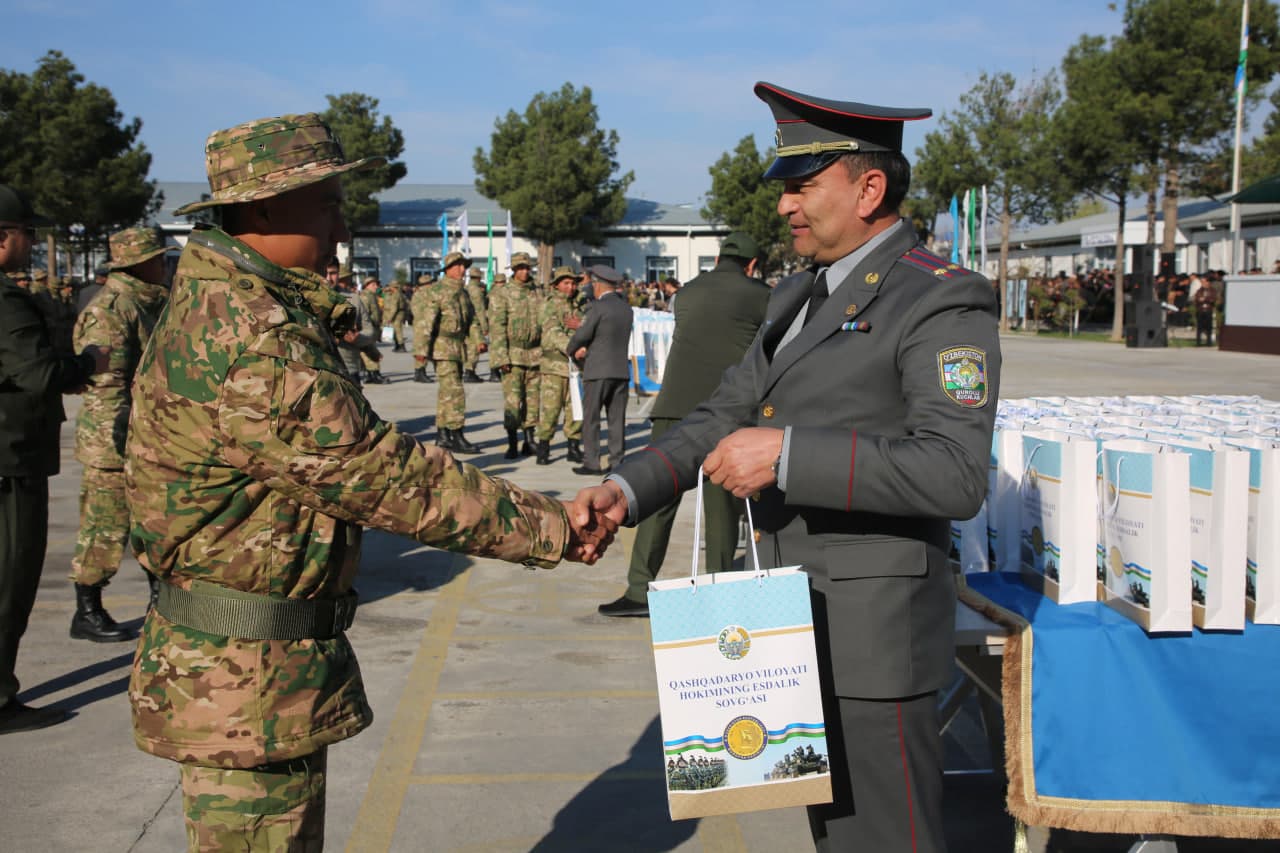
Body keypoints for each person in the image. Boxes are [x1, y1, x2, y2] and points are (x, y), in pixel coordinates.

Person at [127, 114, 615, 851]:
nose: (340, 219)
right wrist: (550, 525)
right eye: (323, 200)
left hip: (246, 671)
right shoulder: (252, 334)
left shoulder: (227, 299)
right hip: (243, 685)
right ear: (262, 208)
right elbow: (382, 474)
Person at [575, 82, 1001, 852]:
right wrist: (623, 490)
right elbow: (717, 416)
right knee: (837, 840)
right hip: (787, 633)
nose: (783, 206)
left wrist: (789, 456)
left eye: (802, 186)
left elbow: (955, 471)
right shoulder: (796, 296)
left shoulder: (940, 299)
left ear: (869, 187)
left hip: (874, 646)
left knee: (887, 841)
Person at [597, 232, 769, 617]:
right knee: (722, 506)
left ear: (719, 257)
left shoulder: (687, 292)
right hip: (727, 411)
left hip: (673, 405)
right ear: (753, 264)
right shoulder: (760, 295)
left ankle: (640, 589)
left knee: (658, 497)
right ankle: (721, 591)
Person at [0, 184, 110, 734]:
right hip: (10, 462)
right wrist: (88, 362)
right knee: (11, 578)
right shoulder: (6, 300)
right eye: (27, 234)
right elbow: (39, 375)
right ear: (3, 241)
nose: (32, 245)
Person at [69, 226, 175, 642]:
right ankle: (87, 609)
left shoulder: (150, 301)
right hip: (114, 440)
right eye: (159, 258)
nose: (165, 265)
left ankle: (161, 602)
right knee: (105, 526)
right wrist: (116, 447)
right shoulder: (113, 309)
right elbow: (107, 386)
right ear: (140, 263)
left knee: (156, 522)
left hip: (150, 435)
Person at [567, 264, 633, 476]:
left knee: (592, 419)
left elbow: (584, 334)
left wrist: (572, 348)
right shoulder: (626, 308)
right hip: (620, 371)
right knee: (616, 420)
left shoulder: (597, 308)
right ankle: (617, 461)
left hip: (598, 370)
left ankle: (592, 462)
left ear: (598, 285)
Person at [417, 251, 480, 454]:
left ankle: (443, 435)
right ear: (448, 269)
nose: (462, 270)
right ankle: (456, 434)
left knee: (446, 393)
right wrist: (421, 350)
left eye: (464, 266)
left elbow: (471, 321)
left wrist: (478, 340)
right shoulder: (437, 291)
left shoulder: (463, 293)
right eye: (458, 266)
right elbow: (426, 322)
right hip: (442, 348)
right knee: (455, 391)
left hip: (458, 348)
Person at [489, 252, 543, 459]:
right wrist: (501, 357)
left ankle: (530, 440)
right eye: (520, 268)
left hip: (535, 354)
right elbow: (497, 326)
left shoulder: (537, 292)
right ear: (513, 270)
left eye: (527, 268)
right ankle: (512, 442)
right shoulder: (502, 294)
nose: (524, 272)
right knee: (513, 401)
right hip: (513, 354)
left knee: (533, 400)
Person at [535, 266, 586, 465]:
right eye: (566, 283)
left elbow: (589, 324)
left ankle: (573, 447)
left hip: (576, 367)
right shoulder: (550, 305)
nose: (571, 287)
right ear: (556, 285)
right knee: (551, 409)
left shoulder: (578, 305)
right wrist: (573, 348)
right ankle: (543, 448)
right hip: (555, 365)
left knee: (575, 408)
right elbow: (552, 332)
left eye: (573, 283)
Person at [410, 272, 438, 383]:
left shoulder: (418, 294)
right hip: (423, 325)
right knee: (422, 349)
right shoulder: (425, 294)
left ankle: (420, 372)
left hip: (421, 324)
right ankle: (419, 373)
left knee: (423, 348)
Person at [463, 266, 489, 383]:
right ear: (479, 278)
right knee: (475, 347)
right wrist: (484, 326)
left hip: (466, 321)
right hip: (475, 322)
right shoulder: (477, 291)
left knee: (469, 346)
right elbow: (480, 309)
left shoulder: (466, 288)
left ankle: (468, 371)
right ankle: (470, 372)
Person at [487, 272, 508, 382]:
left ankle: (496, 371)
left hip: (495, 323)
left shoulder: (492, 292)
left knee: (496, 348)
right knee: (496, 348)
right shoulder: (499, 293)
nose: (501, 284)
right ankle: (494, 372)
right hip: (497, 324)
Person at [383, 277, 407, 352]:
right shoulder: (396, 293)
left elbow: (394, 308)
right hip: (397, 313)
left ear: (394, 287)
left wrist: (390, 318)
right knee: (394, 330)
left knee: (397, 330)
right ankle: (397, 345)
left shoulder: (396, 295)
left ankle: (401, 346)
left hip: (397, 314)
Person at [1194, 276, 1218, 346]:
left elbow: (1213, 299)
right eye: (1202, 282)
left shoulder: (1212, 290)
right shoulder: (1199, 290)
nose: (1203, 283)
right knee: (1199, 327)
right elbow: (1197, 299)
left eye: (1204, 282)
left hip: (1208, 310)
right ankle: (1198, 342)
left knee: (1208, 327)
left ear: (1208, 282)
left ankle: (1208, 342)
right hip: (1200, 310)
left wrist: (1204, 299)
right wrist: (1201, 300)